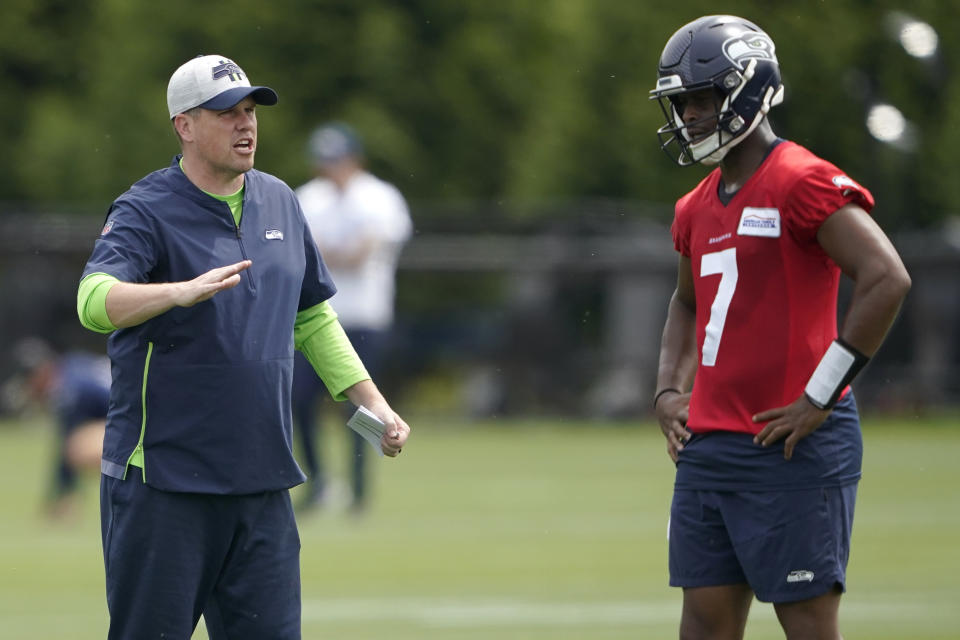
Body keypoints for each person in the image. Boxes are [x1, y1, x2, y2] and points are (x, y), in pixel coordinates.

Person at [76, 54, 410, 639]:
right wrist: (174, 293)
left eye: (251, 111)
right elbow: (92, 299)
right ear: (184, 125)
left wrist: (372, 404)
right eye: (227, 112)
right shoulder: (144, 209)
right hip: (164, 486)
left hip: (261, 485)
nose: (246, 124)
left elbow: (312, 316)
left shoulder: (281, 199)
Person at [649, 16, 910, 640]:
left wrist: (820, 395)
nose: (689, 117)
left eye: (702, 100)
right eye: (681, 104)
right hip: (710, 446)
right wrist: (667, 391)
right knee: (704, 627)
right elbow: (687, 304)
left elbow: (886, 277)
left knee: (807, 627)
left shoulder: (801, 180)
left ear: (748, 88)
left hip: (792, 444)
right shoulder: (696, 204)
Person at [292, 122, 412, 512]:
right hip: (314, 320)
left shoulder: (380, 197)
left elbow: (363, 251)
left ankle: (359, 490)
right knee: (300, 400)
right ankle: (318, 482)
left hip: (364, 316)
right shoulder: (307, 198)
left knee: (359, 408)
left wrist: (334, 253)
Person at [11, 337, 109, 520]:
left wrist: (59, 497)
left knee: (80, 447)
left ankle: (121, 492)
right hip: (141, 414)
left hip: (141, 421)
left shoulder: (70, 391)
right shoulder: (72, 362)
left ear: (41, 373)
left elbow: (67, 450)